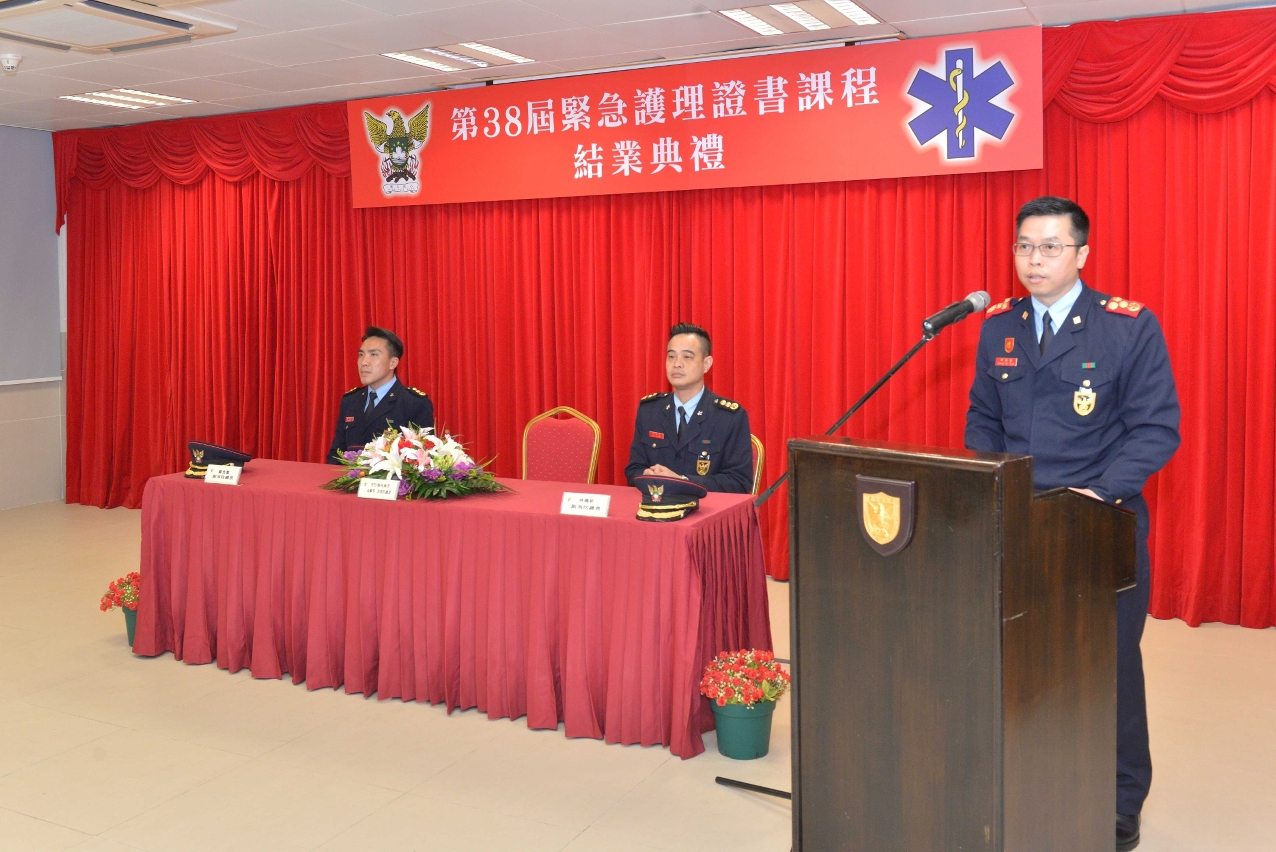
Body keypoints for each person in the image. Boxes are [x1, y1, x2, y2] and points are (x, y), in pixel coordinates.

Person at [965, 196, 1180, 852]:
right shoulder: (999, 327)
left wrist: (1099, 491)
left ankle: (1119, 802)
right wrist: (994, 479)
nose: (1035, 259)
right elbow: (981, 417)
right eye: (1025, 246)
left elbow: (1156, 428)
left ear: (1082, 254)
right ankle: (1032, 772)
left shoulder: (1128, 326)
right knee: (1023, 661)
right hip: (1020, 524)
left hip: (1097, 526)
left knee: (1107, 668)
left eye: (1051, 247)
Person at [625, 323, 752, 493]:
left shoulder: (729, 417)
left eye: (687, 357)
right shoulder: (650, 411)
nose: (677, 364)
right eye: (671, 356)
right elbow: (634, 469)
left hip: (706, 513)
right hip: (656, 509)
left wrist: (683, 481)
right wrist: (647, 475)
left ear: (706, 364)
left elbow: (739, 482)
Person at [328, 326, 433, 463]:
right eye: (361, 354)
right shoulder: (350, 401)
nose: (364, 362)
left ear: (393, 363)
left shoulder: (414, 403)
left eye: (373, 354)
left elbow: (422, 459)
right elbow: (337, 454)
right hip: (349, 481)